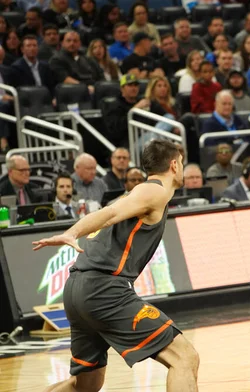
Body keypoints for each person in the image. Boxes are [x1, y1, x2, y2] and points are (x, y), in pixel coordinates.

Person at [34, 140, 200, 392]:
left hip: (78, 288)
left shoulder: (137, 194)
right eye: (182, 163)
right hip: (104, 290)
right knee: (184, 357)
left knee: (85, 385)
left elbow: (109, 213)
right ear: (175, 164)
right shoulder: (153, 191)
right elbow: (109, 214)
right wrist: (72, 232)